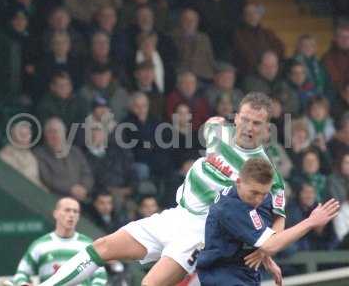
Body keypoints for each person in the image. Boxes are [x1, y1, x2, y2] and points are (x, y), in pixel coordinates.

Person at [35, 92, 287, 286]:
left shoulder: (264, 170)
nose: (249, 128)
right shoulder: (217, 131)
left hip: (201, 234)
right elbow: (211, 124)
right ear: (237, 116)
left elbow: (276, 220)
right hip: (176, 216)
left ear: (267, 127)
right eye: (245, 119)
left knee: (150, 284)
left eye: (257, 123)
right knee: (102, 247)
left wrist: (265, 251)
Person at [197, 158, 339, 286]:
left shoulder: (246, 199)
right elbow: (270, 244)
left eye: (264, 194)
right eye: (254, 193)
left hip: (242, 273)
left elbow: (252, 236)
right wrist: (311, 222)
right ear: (238, 182)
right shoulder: (232, 208)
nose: (259, 200)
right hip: (223, 276)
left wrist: (267, 259)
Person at [12, 197, 107, 286]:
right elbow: (21, 274)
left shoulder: (87, 244)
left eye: (75, 211)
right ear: (56, 213)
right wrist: (22, 284)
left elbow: (101, 277)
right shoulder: (40, 245)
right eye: (67, 210)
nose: (71, 215)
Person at [34, 118, 94, 202]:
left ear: (64, 132)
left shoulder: (75, 151)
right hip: (56, 198)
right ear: (45, 135)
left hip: (81, 197)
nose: (55, 135)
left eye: (58, 131)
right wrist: (71, 189)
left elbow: (87, 173)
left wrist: (84, 187)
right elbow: (47, 179)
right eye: (50, 132)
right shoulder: (39, 153)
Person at [0, 120, 46, 190]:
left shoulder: (31, 156)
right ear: (13, 137)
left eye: (28, 134)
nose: (25, 138)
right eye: (21, 135)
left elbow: (36, 180)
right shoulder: (5, 156)